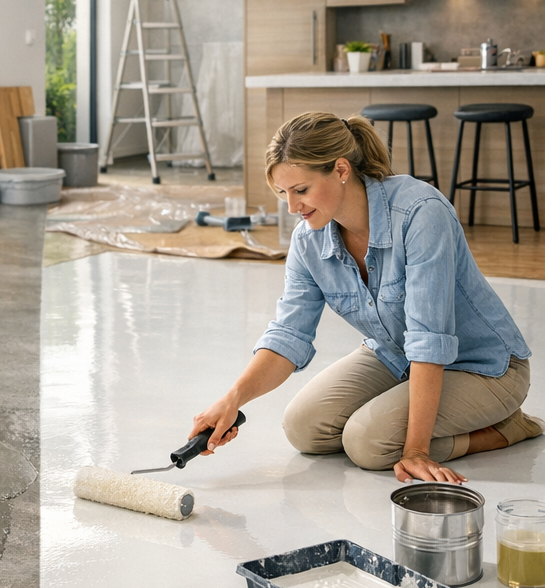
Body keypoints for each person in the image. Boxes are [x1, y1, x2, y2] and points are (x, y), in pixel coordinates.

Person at [190, 111, 541, 484]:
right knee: (303, 427)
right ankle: (403, 419)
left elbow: (428, 339)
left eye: (301, 190)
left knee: (368, 444)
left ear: (341, 170)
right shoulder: (309, 240)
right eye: (283, 193)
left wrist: (416, 451)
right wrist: (232, 400)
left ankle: (507, 427)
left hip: (484, 367)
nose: (292, 207)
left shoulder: (420, 213)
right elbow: (288, 335)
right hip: (395, 355)